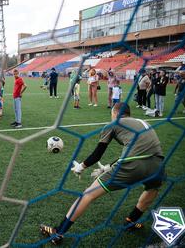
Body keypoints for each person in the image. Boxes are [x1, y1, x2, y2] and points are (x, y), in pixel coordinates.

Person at [39, 103, 165, 245]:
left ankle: (58, 233)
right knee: (152, 189)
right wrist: (108, 167)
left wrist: (81, 166)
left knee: (88, 194)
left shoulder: (114, 123)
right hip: (158, 164)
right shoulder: (144, 122)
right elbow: (140, 151)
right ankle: (131, 221)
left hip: (131, 165)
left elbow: (97, 154)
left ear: (115, 113)